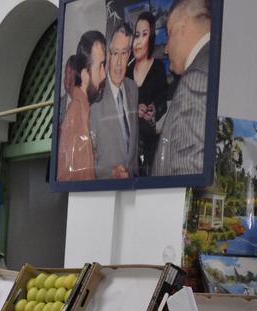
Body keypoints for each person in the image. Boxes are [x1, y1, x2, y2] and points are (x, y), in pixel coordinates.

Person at [152, 0, 212, 177]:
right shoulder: (215, 64)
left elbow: (188, 173)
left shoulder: (196, 77)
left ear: (183, 25)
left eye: (169, 33)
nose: (166, 49)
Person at [90, 22, 139, 179]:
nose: (118, 62)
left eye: (124, 53)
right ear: (107, 55)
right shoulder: (94, 96)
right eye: (114, 53)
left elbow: (133, 148)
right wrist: (111, 173)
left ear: (130, 54)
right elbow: (85, 161)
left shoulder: (133, 89)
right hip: (104, 193)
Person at [57, 31, 106, 182]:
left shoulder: (82, 110)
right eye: (100, 67)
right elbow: (74, 181)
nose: (104, 75)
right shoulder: (76, 115)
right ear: (85, 74)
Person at [132, 11, 168, 175]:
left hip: (148, 145)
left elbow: (162, 101)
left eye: (144, 34)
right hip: (127, 145)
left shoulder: (158, 68)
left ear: (151, 38)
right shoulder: (125, 71)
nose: (138, 41)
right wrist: (133, 109)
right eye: (136, 35)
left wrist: (154, 109)